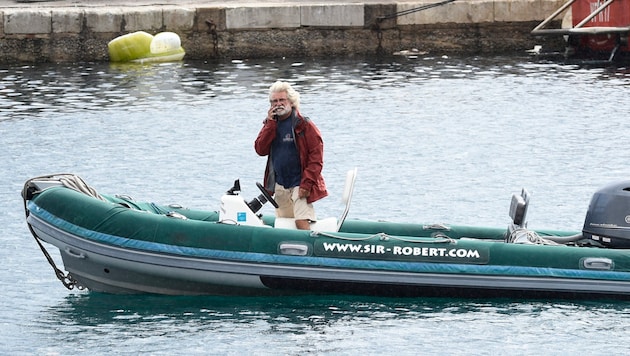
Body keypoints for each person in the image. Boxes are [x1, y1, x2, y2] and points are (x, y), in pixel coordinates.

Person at [254, 81, 328, 230]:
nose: (278, 104)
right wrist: (269, 124)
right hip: (280, 184)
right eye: (274, 101)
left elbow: (316, 159)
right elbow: (260, 149)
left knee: (300, 220)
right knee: (284, 223)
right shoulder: (270, 124)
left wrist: (306, 184)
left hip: (300, 183)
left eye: (282, 100)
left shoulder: (304, 125)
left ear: (291, 101)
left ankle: (310, 249)